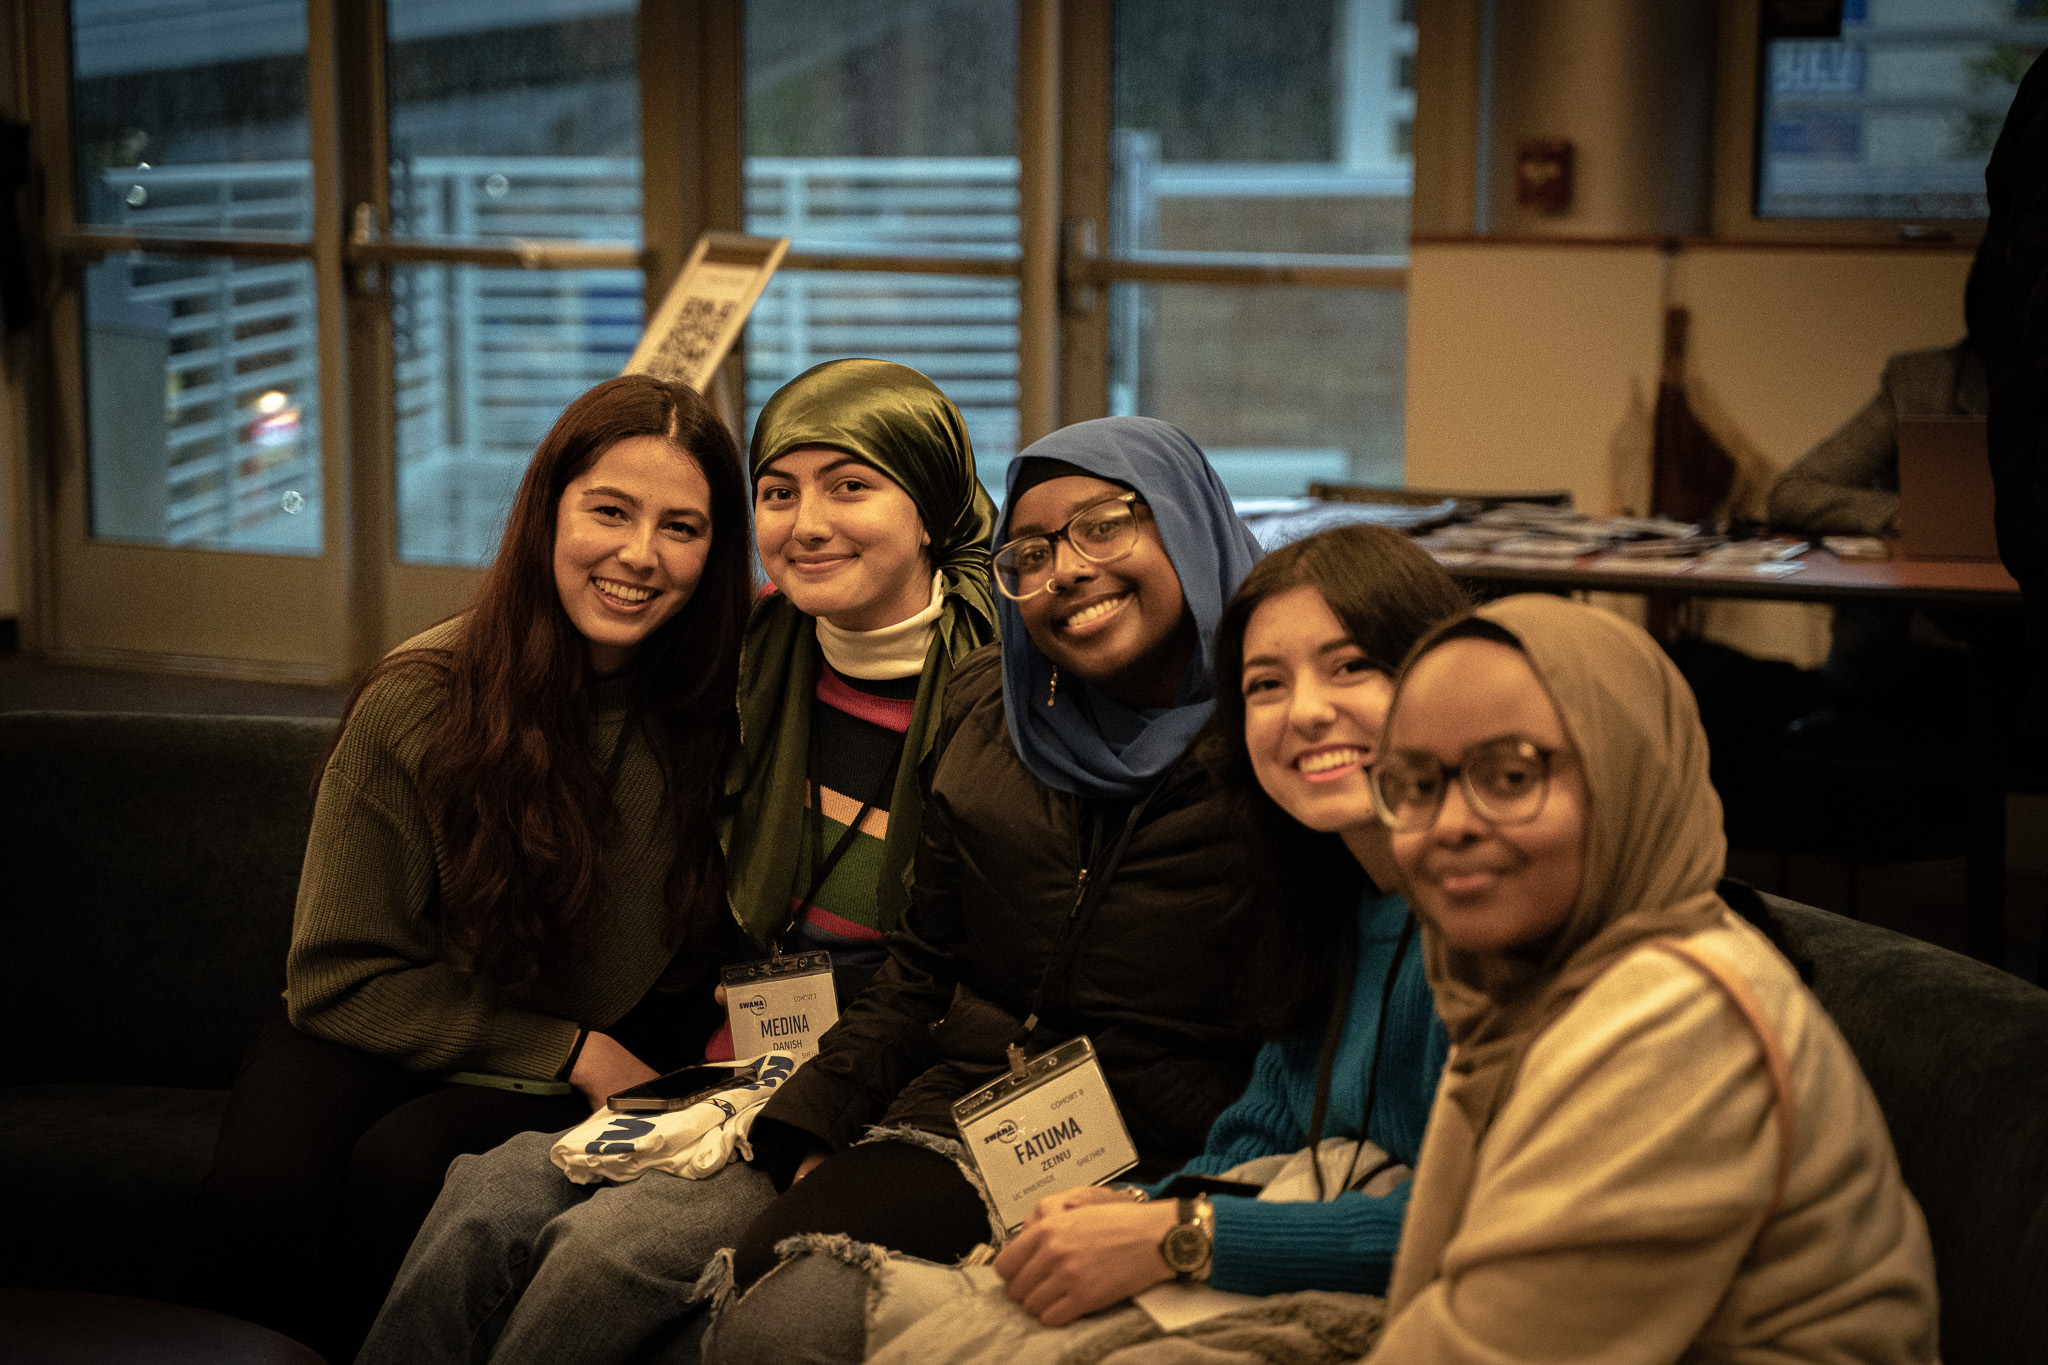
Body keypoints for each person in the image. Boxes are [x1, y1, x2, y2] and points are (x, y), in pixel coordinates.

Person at [358, 359, 998, 1365]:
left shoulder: (1000, 695)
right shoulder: (753, 658)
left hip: (878, 1081)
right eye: (778, 492)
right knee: (483, 1201)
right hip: (736, 1057)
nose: (808, 523)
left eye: (850, 485)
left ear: (932, 510)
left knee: (602, 1253)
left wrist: (816, 1117)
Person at [704, 525, 1465, 1364]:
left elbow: (1485, 1216)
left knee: (803, 1315)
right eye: (1266, 684)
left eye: (1351, 666)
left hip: (1392, 1285)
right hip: (1037, 1130)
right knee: (778, 1302)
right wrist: (1146, 1213)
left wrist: (1179, 1231)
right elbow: (1268, 1125)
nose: (1308, 710)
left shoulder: (1478, 929)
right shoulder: (1326, 894)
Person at [190, 374, 756, 1362]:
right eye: (610, 511)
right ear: (547, 515)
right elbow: (338, 978)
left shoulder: (728, 705)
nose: (640, 554)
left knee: (407, 1173)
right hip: (390, 1008)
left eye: (682, 527)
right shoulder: (422, 694)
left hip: (603, 1024)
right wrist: (570, 1049)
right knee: (261, 1194)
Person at [1364, 594, 1938, 1363]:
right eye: (1414, 783)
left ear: (1626, 772)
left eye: (1510, 775)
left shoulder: (1678, 1020)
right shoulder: (1526, 979)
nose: (1450, 822)